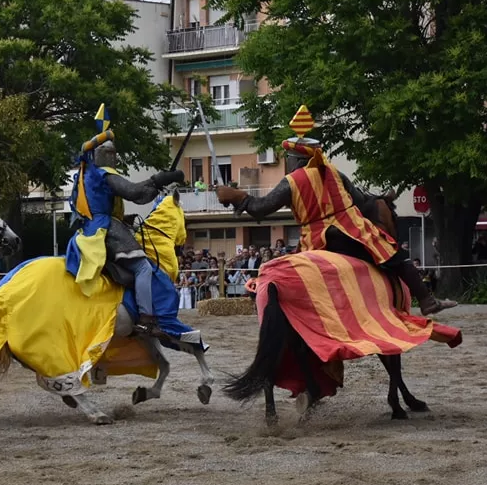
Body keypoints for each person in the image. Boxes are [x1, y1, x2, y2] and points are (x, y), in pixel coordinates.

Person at [215, 105, 456, 316]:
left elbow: (260, 209)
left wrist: (236, 196)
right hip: (353, 234)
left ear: (293, 160)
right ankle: (426, 301)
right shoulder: (335, 173)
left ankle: (265, 299)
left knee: (285, 268)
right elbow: (362, 203)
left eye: (287, 159)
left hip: (316, 242)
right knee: (396, 258)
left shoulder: (291, 182)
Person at [65, 104, 184, 337]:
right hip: (105, 229)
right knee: (142, 268)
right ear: (99, 154)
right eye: (109, 153)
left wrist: (157, 185)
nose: (113, 157)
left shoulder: (83, 175)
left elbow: (137, 196)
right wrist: (159, 179)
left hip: (87, 229)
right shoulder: (103, 174)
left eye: (113, 153)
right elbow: (133, 192)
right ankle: (146, 318)